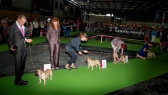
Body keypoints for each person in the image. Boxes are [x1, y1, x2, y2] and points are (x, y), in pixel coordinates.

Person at [8, 14, 32, 86]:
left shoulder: (23, 26)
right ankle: (17, 81)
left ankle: (20, 78)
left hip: (23, 47)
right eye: (21, 21)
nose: (22, 23)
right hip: (17, 49)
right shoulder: (13, 27)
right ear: (18, 18)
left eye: (24, 22)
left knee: (22, 64)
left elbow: (22, 36)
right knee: (18, 65)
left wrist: (26, 40)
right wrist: (11, 46)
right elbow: (10, 38)